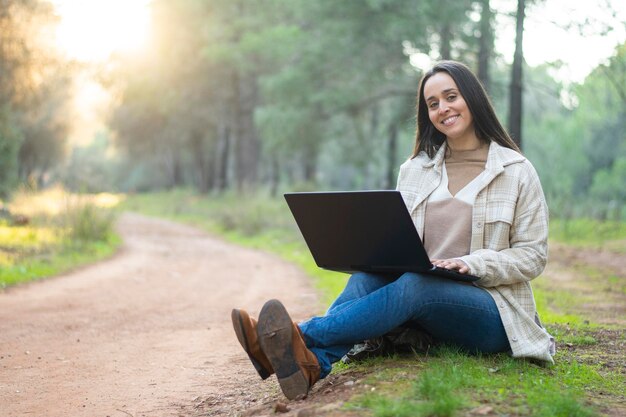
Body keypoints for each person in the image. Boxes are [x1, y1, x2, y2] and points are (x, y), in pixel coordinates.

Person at [231, 60, 555, 400]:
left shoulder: (516, 170)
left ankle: (292, 336)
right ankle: (313, 364)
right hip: (424, 303)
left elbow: (533, 256)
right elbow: (401, 238)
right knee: (364, 280)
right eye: (433, 104)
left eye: (451, 97)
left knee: (417, 285)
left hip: (492, 311)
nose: (443, 108)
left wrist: (473, 264)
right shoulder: (415, 170)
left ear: (471, 98)